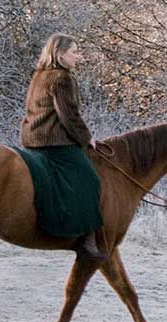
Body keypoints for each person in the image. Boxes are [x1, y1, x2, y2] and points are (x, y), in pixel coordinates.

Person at [19, 33, 108, 265]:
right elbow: (69, 115)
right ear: (60, 54)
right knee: (89, 178)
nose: (79, 56)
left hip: (31, 139)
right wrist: (86, 138)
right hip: (54, 140)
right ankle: (86, 239)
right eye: (74, 52)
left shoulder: (39, 75)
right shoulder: (62, 78)